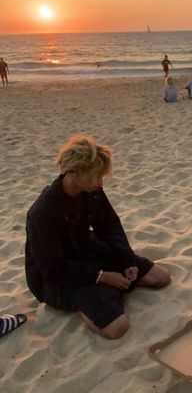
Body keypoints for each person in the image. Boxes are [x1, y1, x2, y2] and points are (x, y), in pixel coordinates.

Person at [25, 135, 171, 340]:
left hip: (91, 252)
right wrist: (102, 276)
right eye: (95, 176)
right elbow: (52, 268)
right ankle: (88, 303)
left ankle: (108, 293)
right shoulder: (43, 212)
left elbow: (110, 225)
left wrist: (127, 260)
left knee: (160, 277)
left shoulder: (92, 190)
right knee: (117, 328)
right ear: (73, 173)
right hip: (62, 276)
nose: (100, 181)